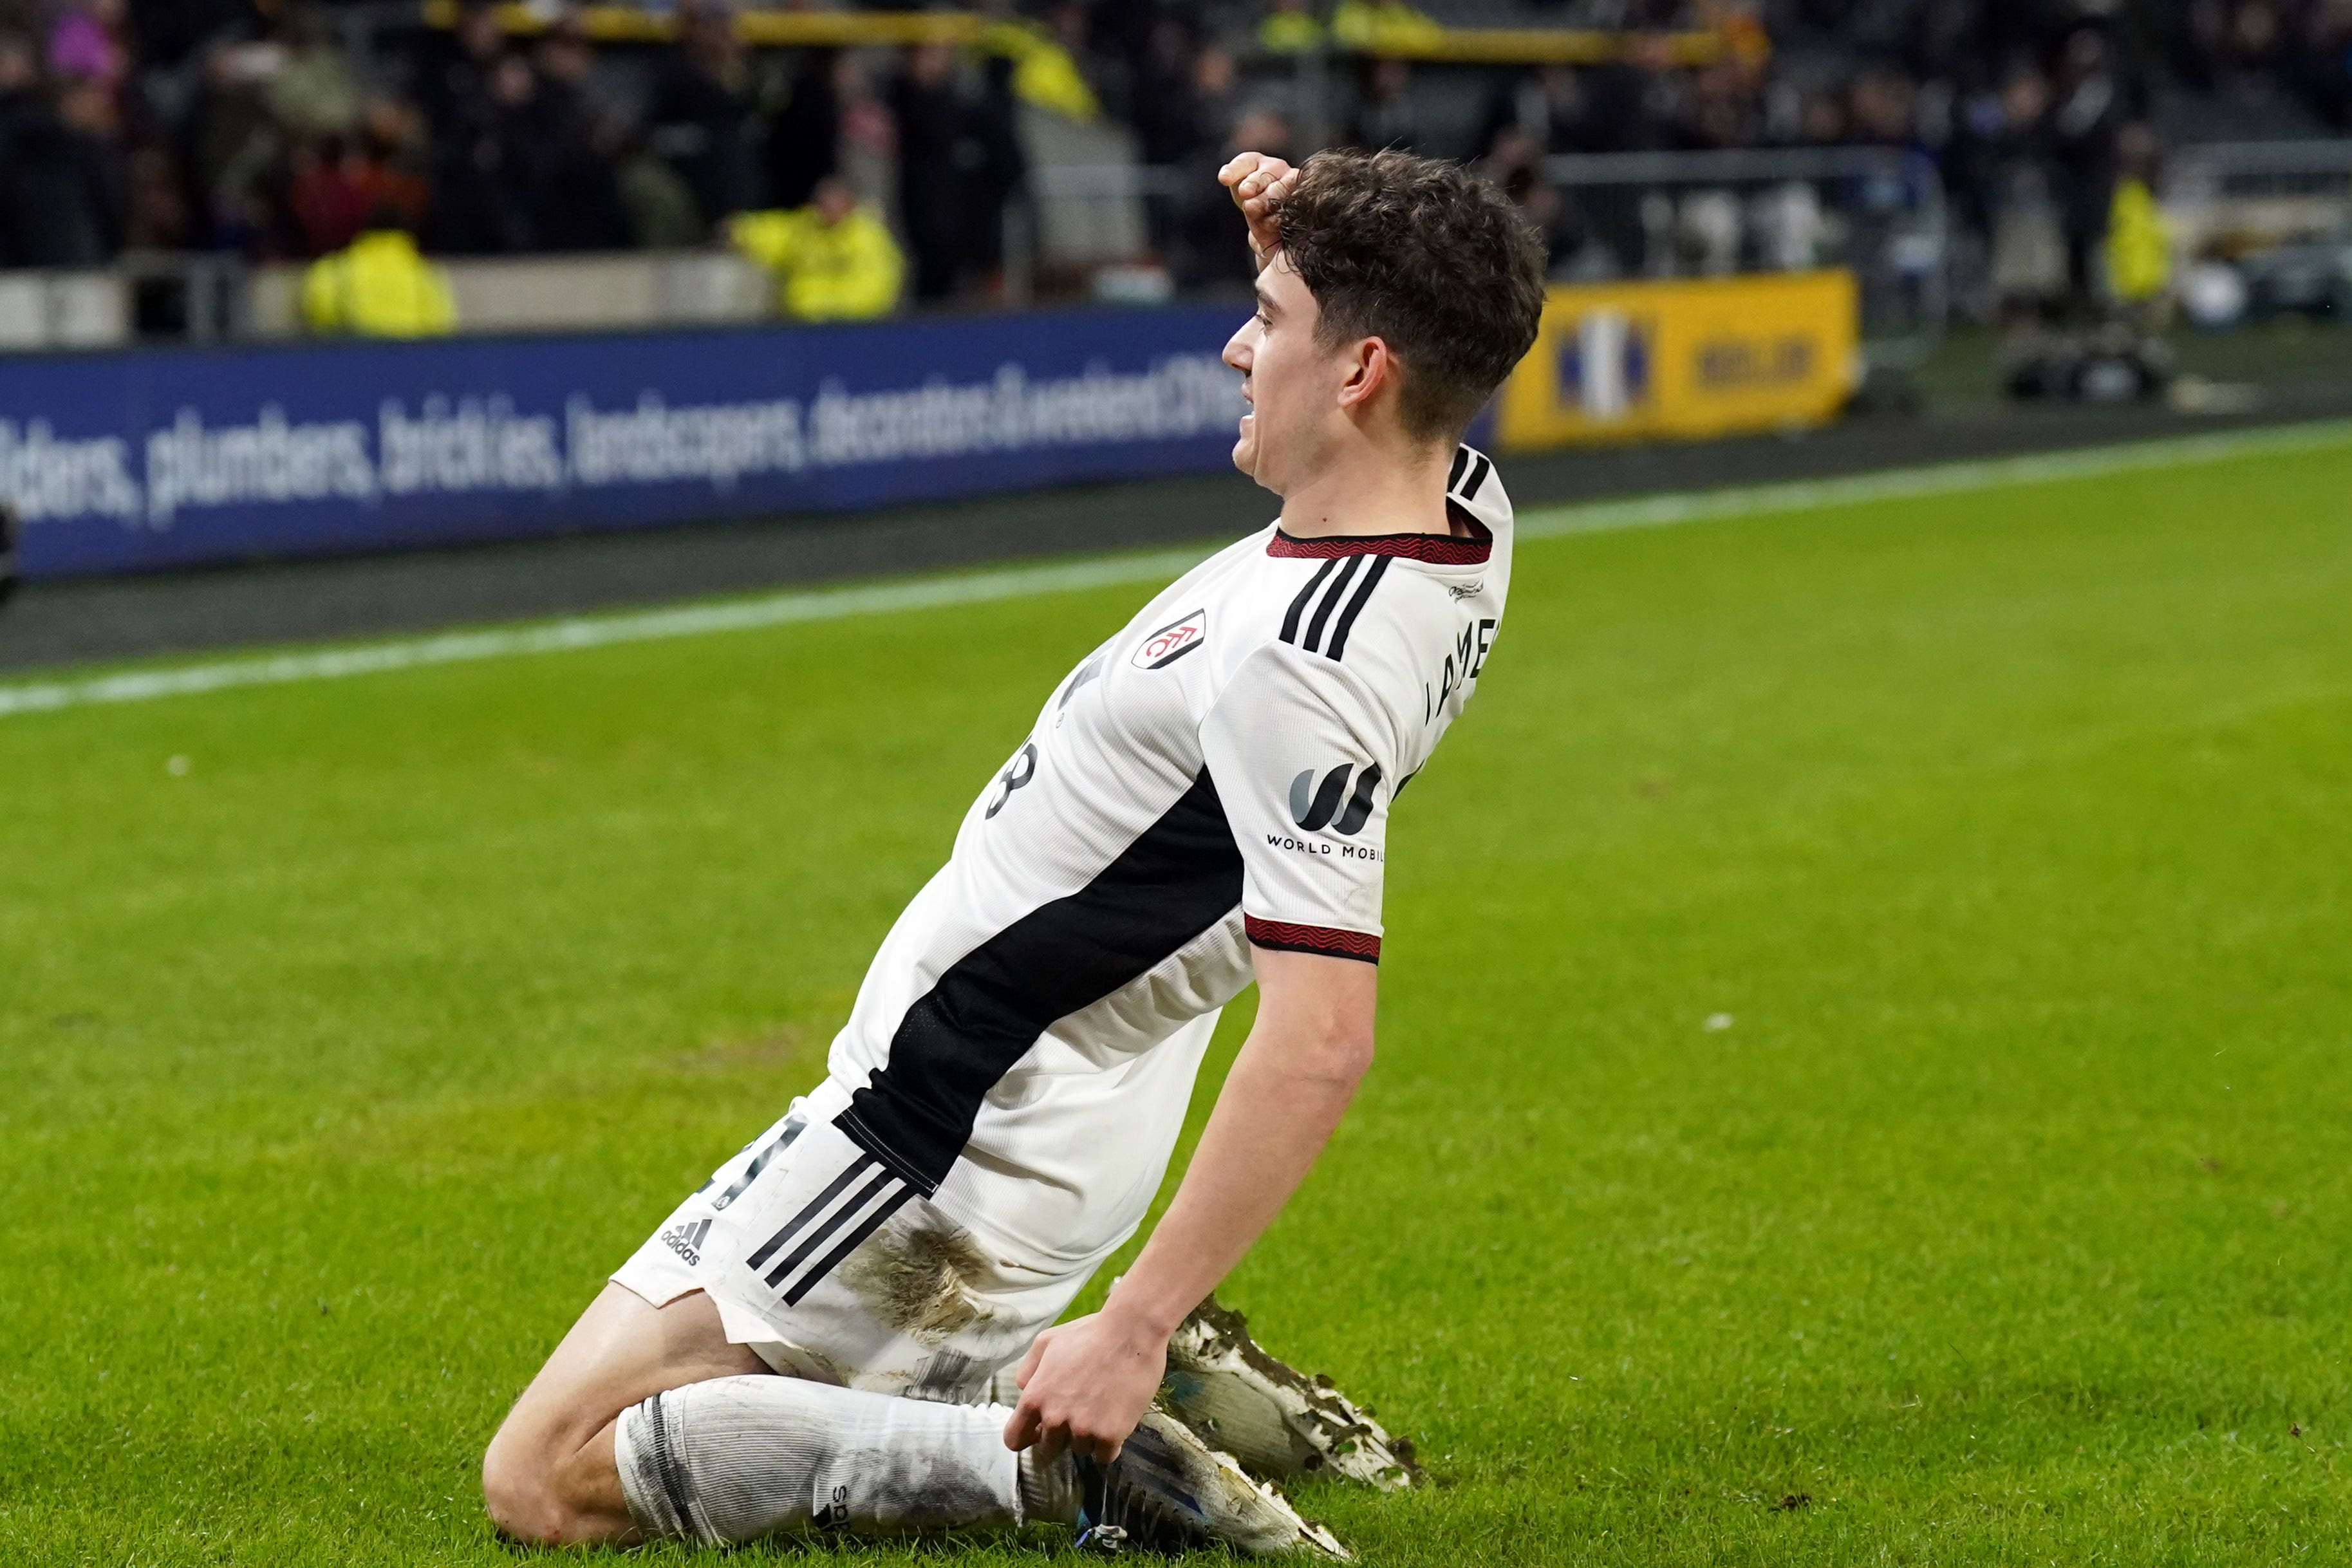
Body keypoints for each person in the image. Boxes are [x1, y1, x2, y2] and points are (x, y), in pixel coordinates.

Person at [480, 145, 1545, 1556]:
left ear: (1359, 372)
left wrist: (1137, 1317)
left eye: (1270, 319)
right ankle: (1071, 1362)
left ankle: (1065, 1448)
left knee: (548, 1476)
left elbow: (1324, 1040)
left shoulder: (1300, 666)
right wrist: (1319, 233)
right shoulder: (1464, 510)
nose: (1237, 345)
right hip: (1084, 1087)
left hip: (953, 1125)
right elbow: (1440, 309)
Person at [727, 175, 903, 321]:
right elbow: (772, 233)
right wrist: (739, 230)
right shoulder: (806, 226)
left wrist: (836, 309)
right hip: (801, 322)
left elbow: (879, 283)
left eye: (834, 202)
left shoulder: (868, 236)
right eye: (823, 203)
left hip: (855, 325)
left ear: (849, 204)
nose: (827, 208)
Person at [300, 207, 455, 337]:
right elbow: (439, 325)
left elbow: (320, 315)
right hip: (410, 361)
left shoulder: (336, 268)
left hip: (355, 359)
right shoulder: (423, 272)